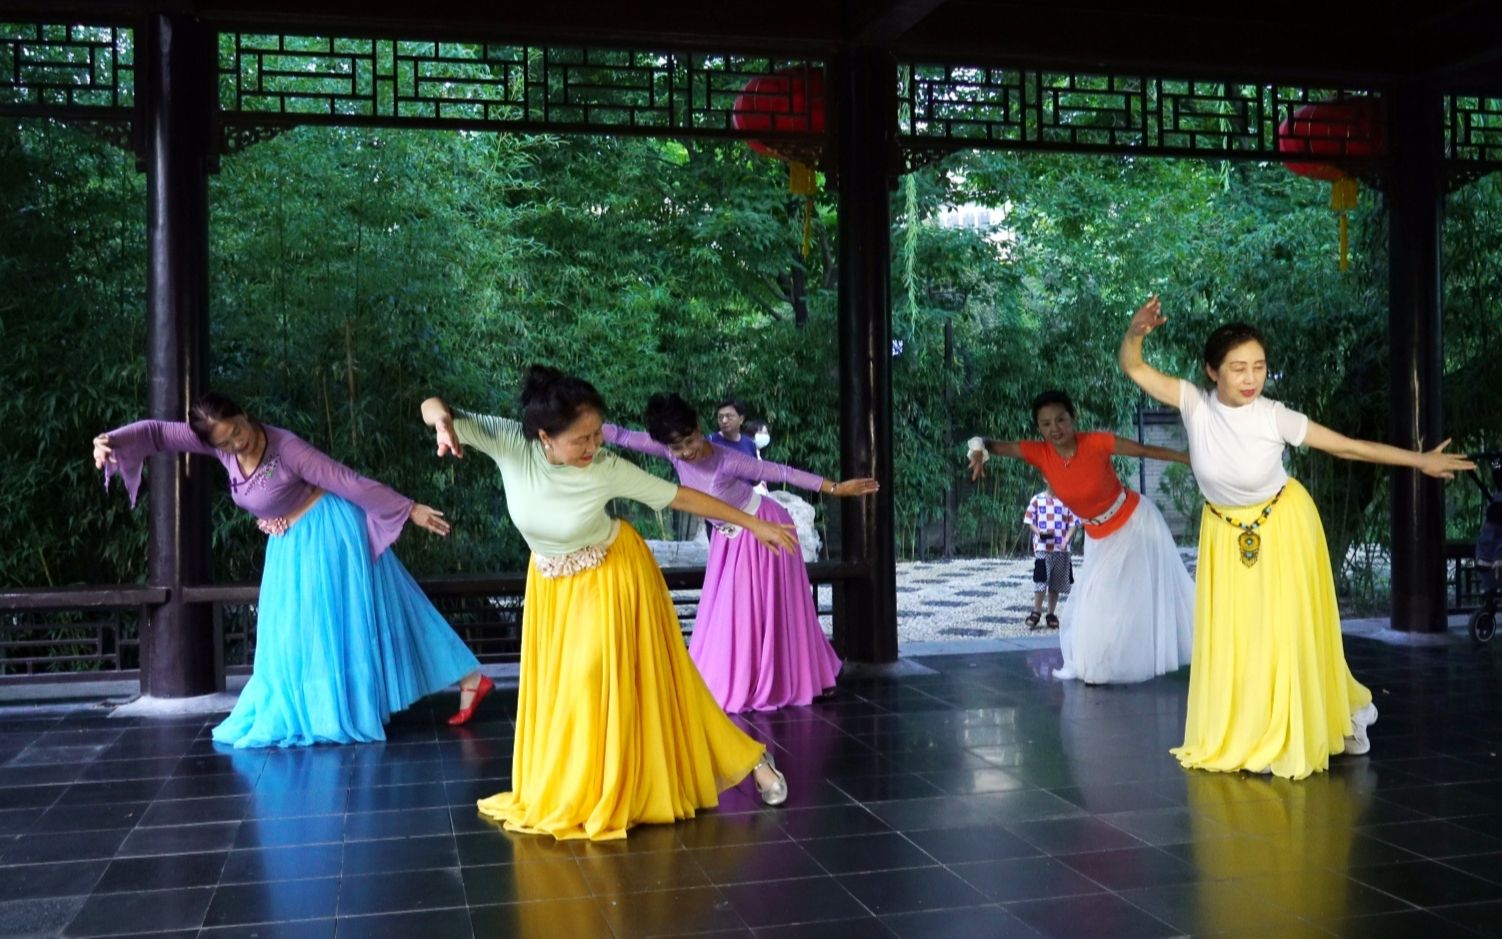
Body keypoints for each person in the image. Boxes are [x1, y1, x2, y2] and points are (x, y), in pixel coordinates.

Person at [421, 367, 801, 841]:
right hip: (553, 587)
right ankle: (591, 786)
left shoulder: (606, 468)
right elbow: (433, 405)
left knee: (607, 677)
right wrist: (441, 424)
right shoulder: (508, 443)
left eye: (597, 433)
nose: (593, 445)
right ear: (545, 437)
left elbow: (682, 497)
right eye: (581, 439)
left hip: (614, 574)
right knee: (575, 696)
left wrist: (755, 524)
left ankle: (749, 760)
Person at [1119, 295, 1474, 778]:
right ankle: (1249, 728)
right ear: (1211, 371)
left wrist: (1421, 461)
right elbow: (1134, 367)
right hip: (1225, 533)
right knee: (1239, 637)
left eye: (1259, 367)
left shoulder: (1274, 415)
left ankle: (1336, 716)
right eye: (1238, 368)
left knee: (1285, 630)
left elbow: (1347, 447)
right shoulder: (1192, 403)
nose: (1250, 379)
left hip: (1283, 525)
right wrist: (1137, 331)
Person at [92, 393, 490, 748]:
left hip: (326, 534)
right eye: (224, 443)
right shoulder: (217, 444)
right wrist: (110, 441)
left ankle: (337, 709)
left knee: (321, 631)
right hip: (288, 544)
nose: (235, 444)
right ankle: (469, 678)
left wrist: (408, 509)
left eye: (237, 432)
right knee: (377, 609)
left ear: (244, 414)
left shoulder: (287, 449)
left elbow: (345, 480)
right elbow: (158, 433)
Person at [603, 393, 878, 712]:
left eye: (690, 441)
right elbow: (621, 435)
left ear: (697, 427)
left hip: (765, 529)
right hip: (728, 538)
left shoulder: (725, 458)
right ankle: (747, 678)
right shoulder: (671, 451)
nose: (686, 452)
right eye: (677, 448)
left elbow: (782, 473)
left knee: (771, 609)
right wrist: (573, 427)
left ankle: (793, 679)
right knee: (733, 612)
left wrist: (835, 488)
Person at [968, 390, 1194, 683]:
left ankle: (1187, 646)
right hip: (1098, 535)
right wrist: (978, 450)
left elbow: (1144, 450)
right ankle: (1101, 665)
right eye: (1046, 424)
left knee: (1138, 593)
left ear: (1073, 419)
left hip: (1136, 523)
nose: (1055, 428)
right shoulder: (1039, 452)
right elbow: (989, 444)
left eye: (1061, 420)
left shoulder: (1096, 443)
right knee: (1098, 598)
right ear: (1039, 428)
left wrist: (1186, 458)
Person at [1024, 486, 1078, 629]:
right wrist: (1039, 532)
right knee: (1040, 578)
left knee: (1056, 581)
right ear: (1044, 478)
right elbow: (1029, 520)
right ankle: (1036, 611)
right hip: (1042, 547)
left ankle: (1051, 613)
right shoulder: (1037, 499)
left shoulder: (1067, 500)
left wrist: (1066, 539)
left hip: (1061, 548)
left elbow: (1074, 523)